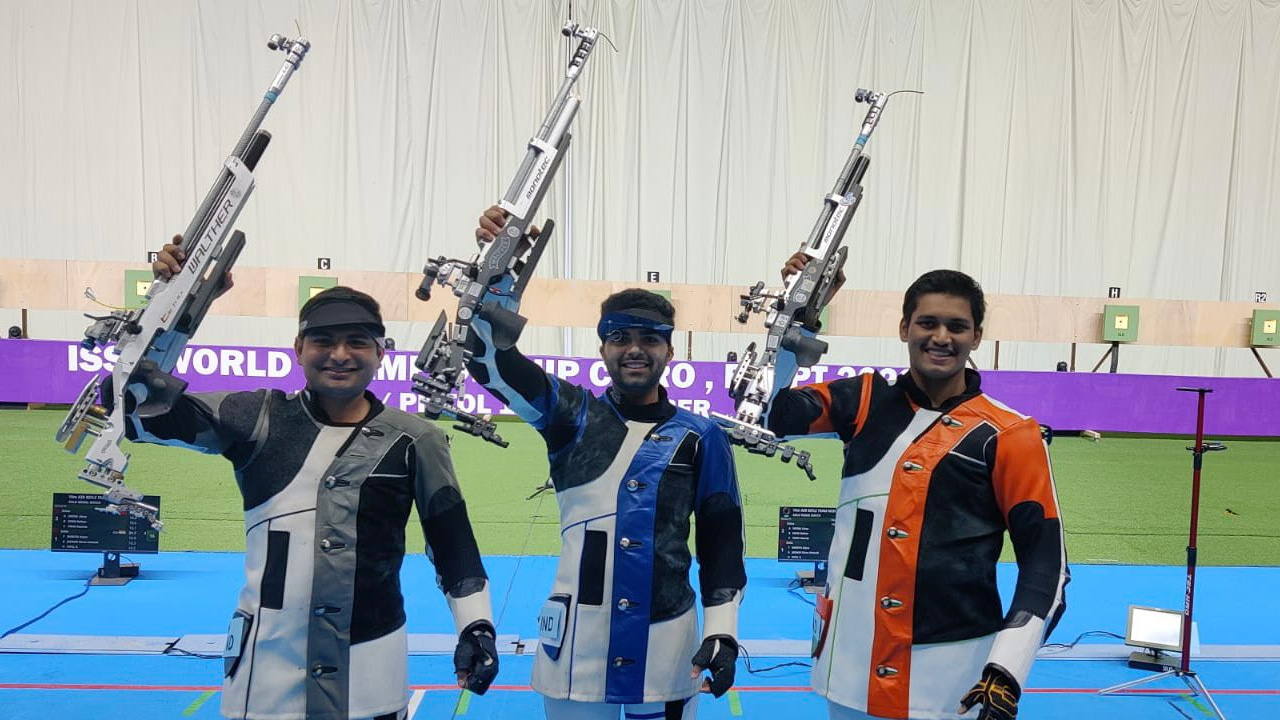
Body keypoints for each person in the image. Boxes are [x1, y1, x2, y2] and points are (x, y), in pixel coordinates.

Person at [108, 237, 500, 720]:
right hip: (264, 679)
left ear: (381, 352)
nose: (340, 354)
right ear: (298, 349)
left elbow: (453, 544)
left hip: (371, 678)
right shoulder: (255, 417)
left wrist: (476, 627)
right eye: (323, 341)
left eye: (358, 341)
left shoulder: (417, 440)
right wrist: (174, 307)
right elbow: (132, 410)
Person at [464, 207, 747, 720]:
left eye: (650, 339)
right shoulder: (569, 415)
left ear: (670, 350)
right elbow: (490, 363)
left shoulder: (703, 437)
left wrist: (722, 631)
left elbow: (722, 544)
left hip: (667, 644)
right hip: (576, 645)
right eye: (620, 338)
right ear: (602, 348)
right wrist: (498, 276)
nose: (634, 350)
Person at [767, 260, 1069, 720]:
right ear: (904, 328)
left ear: (977, 336)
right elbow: (770, 412)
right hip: (849, 665)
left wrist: (1007, 668)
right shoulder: (862, 401)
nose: (941, 337)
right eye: (927, 323)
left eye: (957, 326)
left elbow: (1047, 565)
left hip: (953, 680)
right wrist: (800, 313)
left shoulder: (1011, 434)